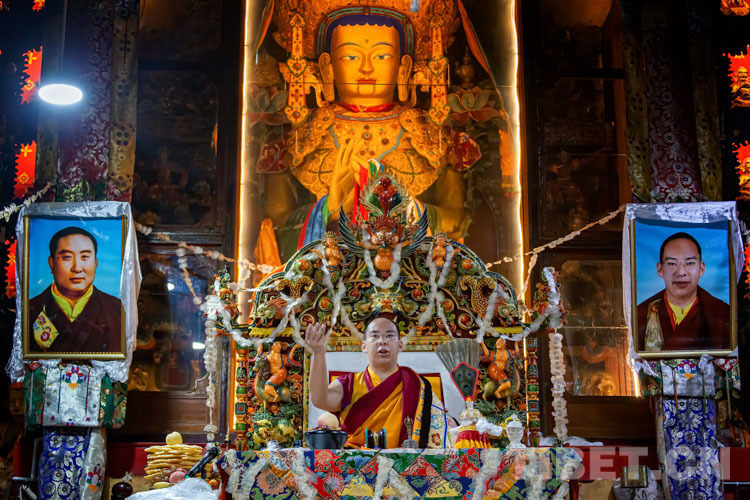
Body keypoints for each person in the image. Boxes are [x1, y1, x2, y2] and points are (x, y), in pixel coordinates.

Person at [306, 316, 454, 448]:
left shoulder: (416, 385)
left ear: (400, 345)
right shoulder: (348, 384)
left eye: (389, 336)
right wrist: (319, 354)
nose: (382, 341)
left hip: (405, 463)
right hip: (355, 463)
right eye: (375, 336)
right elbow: (320, 400)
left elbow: (440, 428)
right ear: (364, 346)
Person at [28, 227, 123, 353]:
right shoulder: (31, 309)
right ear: (51, 263)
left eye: (85, 257)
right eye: (67, 257)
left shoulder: (115, 308)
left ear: (95, 263)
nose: (77, 268)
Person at [637, 232, 730, 351]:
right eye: (672, 263)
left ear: (701, 269)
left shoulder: (723, 313)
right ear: (660, 269)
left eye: (690, 263)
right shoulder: (640, 314)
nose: (681, 272)